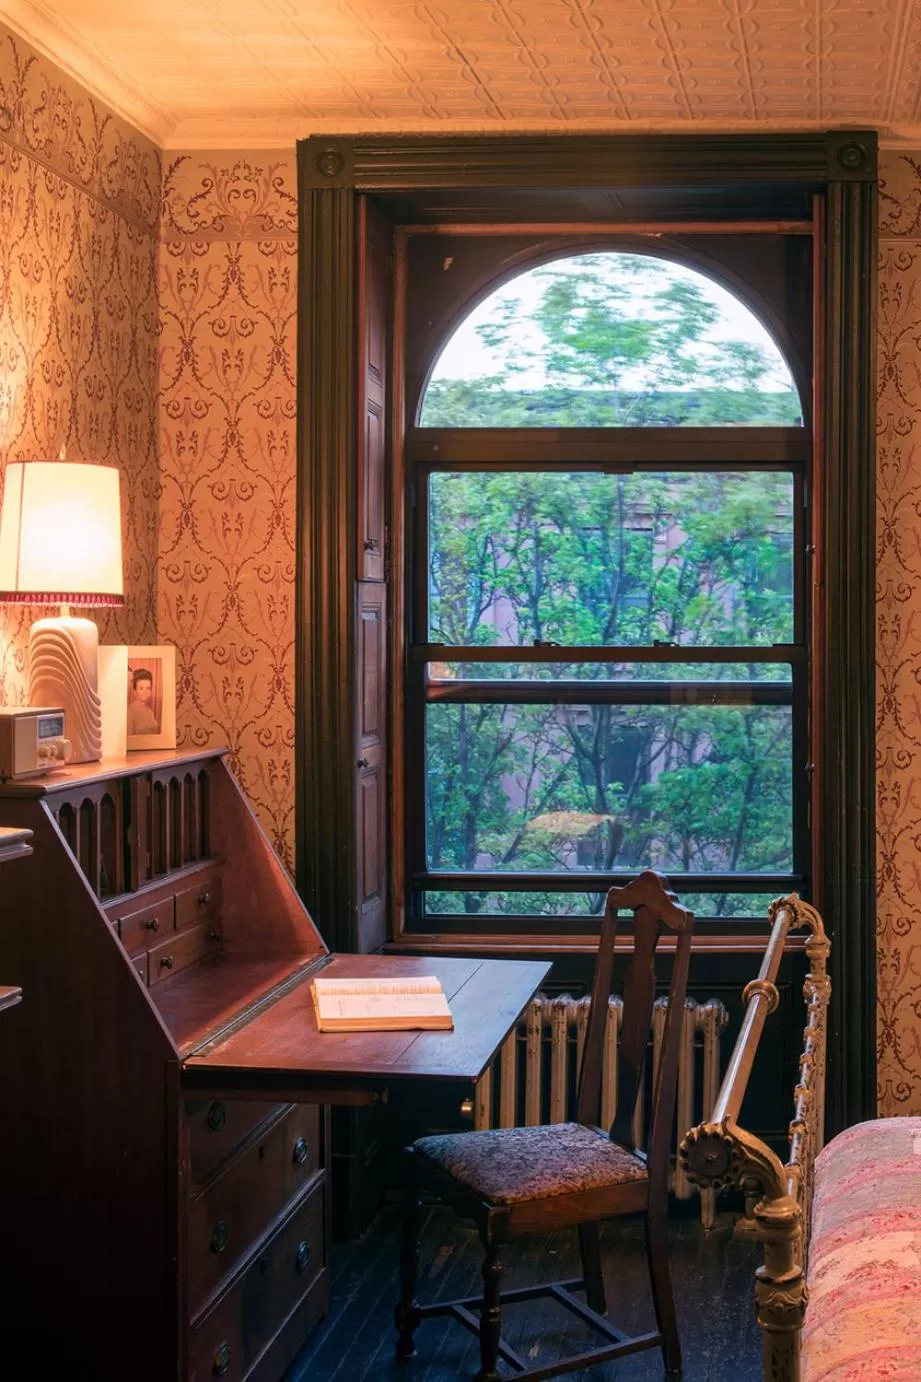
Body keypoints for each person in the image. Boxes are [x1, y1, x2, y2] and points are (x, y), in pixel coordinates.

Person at [128, 667, 159, 735]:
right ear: (135, 691)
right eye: (141, 688)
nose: (145, 692)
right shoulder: (131, 712)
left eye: (148, 688)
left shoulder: (149, 711)